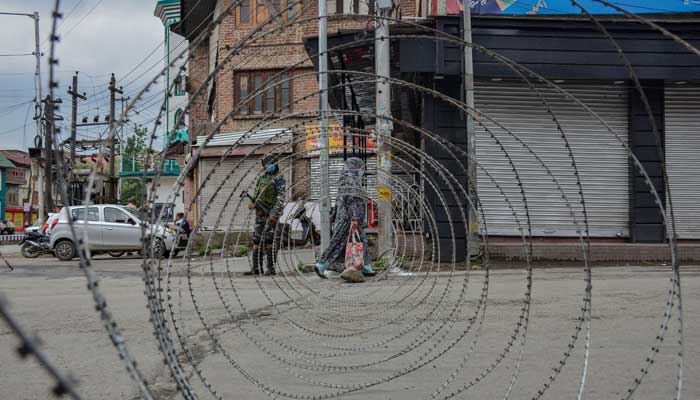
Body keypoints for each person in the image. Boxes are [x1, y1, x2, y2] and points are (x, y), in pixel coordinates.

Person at [314, 157, 373, 282]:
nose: (362, 170)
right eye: (360, 167)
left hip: (347, 217)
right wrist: (354, 218)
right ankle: (322, 264)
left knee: (361, 241)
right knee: (339, 242)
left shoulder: (346, 179)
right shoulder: (350, 180)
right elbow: (352, 200)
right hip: (348, 218)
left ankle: (366, 266)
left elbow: (341, 200)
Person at [244, 154, 286, 276]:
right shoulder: (262, 178)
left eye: (268, 164)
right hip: (260, 213)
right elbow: (256, 193)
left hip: (270, 213)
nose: (266, 166)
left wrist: (274, 214)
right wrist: (252, 202)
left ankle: (270, 268)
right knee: (257, 240)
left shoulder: (279, 178)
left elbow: (280, 198)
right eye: (265, 164)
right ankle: (256, 268)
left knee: (269, 240)